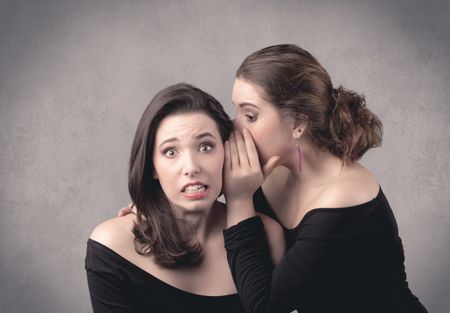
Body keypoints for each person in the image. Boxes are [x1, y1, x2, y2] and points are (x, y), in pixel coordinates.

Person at [222, 44, 428, 313]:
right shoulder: (271, 168)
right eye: (236, 111)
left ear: (298, 124)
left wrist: (238, 200)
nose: (235, 127)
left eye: (250, 115)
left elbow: (265, 307)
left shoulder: (344, 197)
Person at [85, 83, 285, 313]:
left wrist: (241, 200)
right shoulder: (114, 244)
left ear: (228, 153)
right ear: (152, 167)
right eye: (171, 152)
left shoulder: (268, 235)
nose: (191, 167)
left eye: (206, 147)